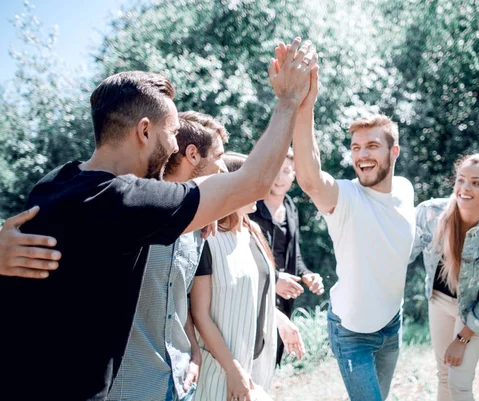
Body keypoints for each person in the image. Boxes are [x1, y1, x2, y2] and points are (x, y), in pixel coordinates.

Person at [0, 37, 316, 401]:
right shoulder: (125, 202)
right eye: (169, 133)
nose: (172, 145)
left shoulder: (55, 182)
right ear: (144, 131)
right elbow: (255, 181)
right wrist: (289, 100)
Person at [278, 43, 415, 399]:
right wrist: (305, 104)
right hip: (351, 334)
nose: (361, 155)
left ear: (393, 151)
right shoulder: (346, 198)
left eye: (371, 146)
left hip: (392, 325)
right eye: (355, 148)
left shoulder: (405, 189)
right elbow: (310, 177)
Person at [107, 111, 228, 401]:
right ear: (192, 155)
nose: (224, 168)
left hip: (180, 384)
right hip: (131, 388)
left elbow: (175, 299)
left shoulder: (201, 229)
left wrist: (195, 353)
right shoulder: (133, 209)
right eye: (219, 156)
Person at [191, 152, 305, 401]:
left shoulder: (252, 231)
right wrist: (233, 370)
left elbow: (253, 291)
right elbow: (199, 314)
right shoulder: (207, 239)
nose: (260, 190)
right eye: (251, 183)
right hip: (221, 370)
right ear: (231, 187)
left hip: (258, 363)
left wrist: (280, 320)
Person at [408, 154, 479, 401]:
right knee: (444, 376)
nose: (465, 188)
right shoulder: (430, 214)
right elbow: (401, 253)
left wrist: (462, 337)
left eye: (476, 183)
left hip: (472, 314)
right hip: (438, 301)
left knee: (459, 383)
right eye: (461, 180)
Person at [249, 147, 324, 365]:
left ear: (294, 175)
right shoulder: (250, 205)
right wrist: (273, 279)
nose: (280, 178)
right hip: (254, 297)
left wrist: (307, 275)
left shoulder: (291, 207)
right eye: (275, 170)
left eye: (286, 171)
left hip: (282, 303)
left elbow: (295, 256)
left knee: (271, 365)